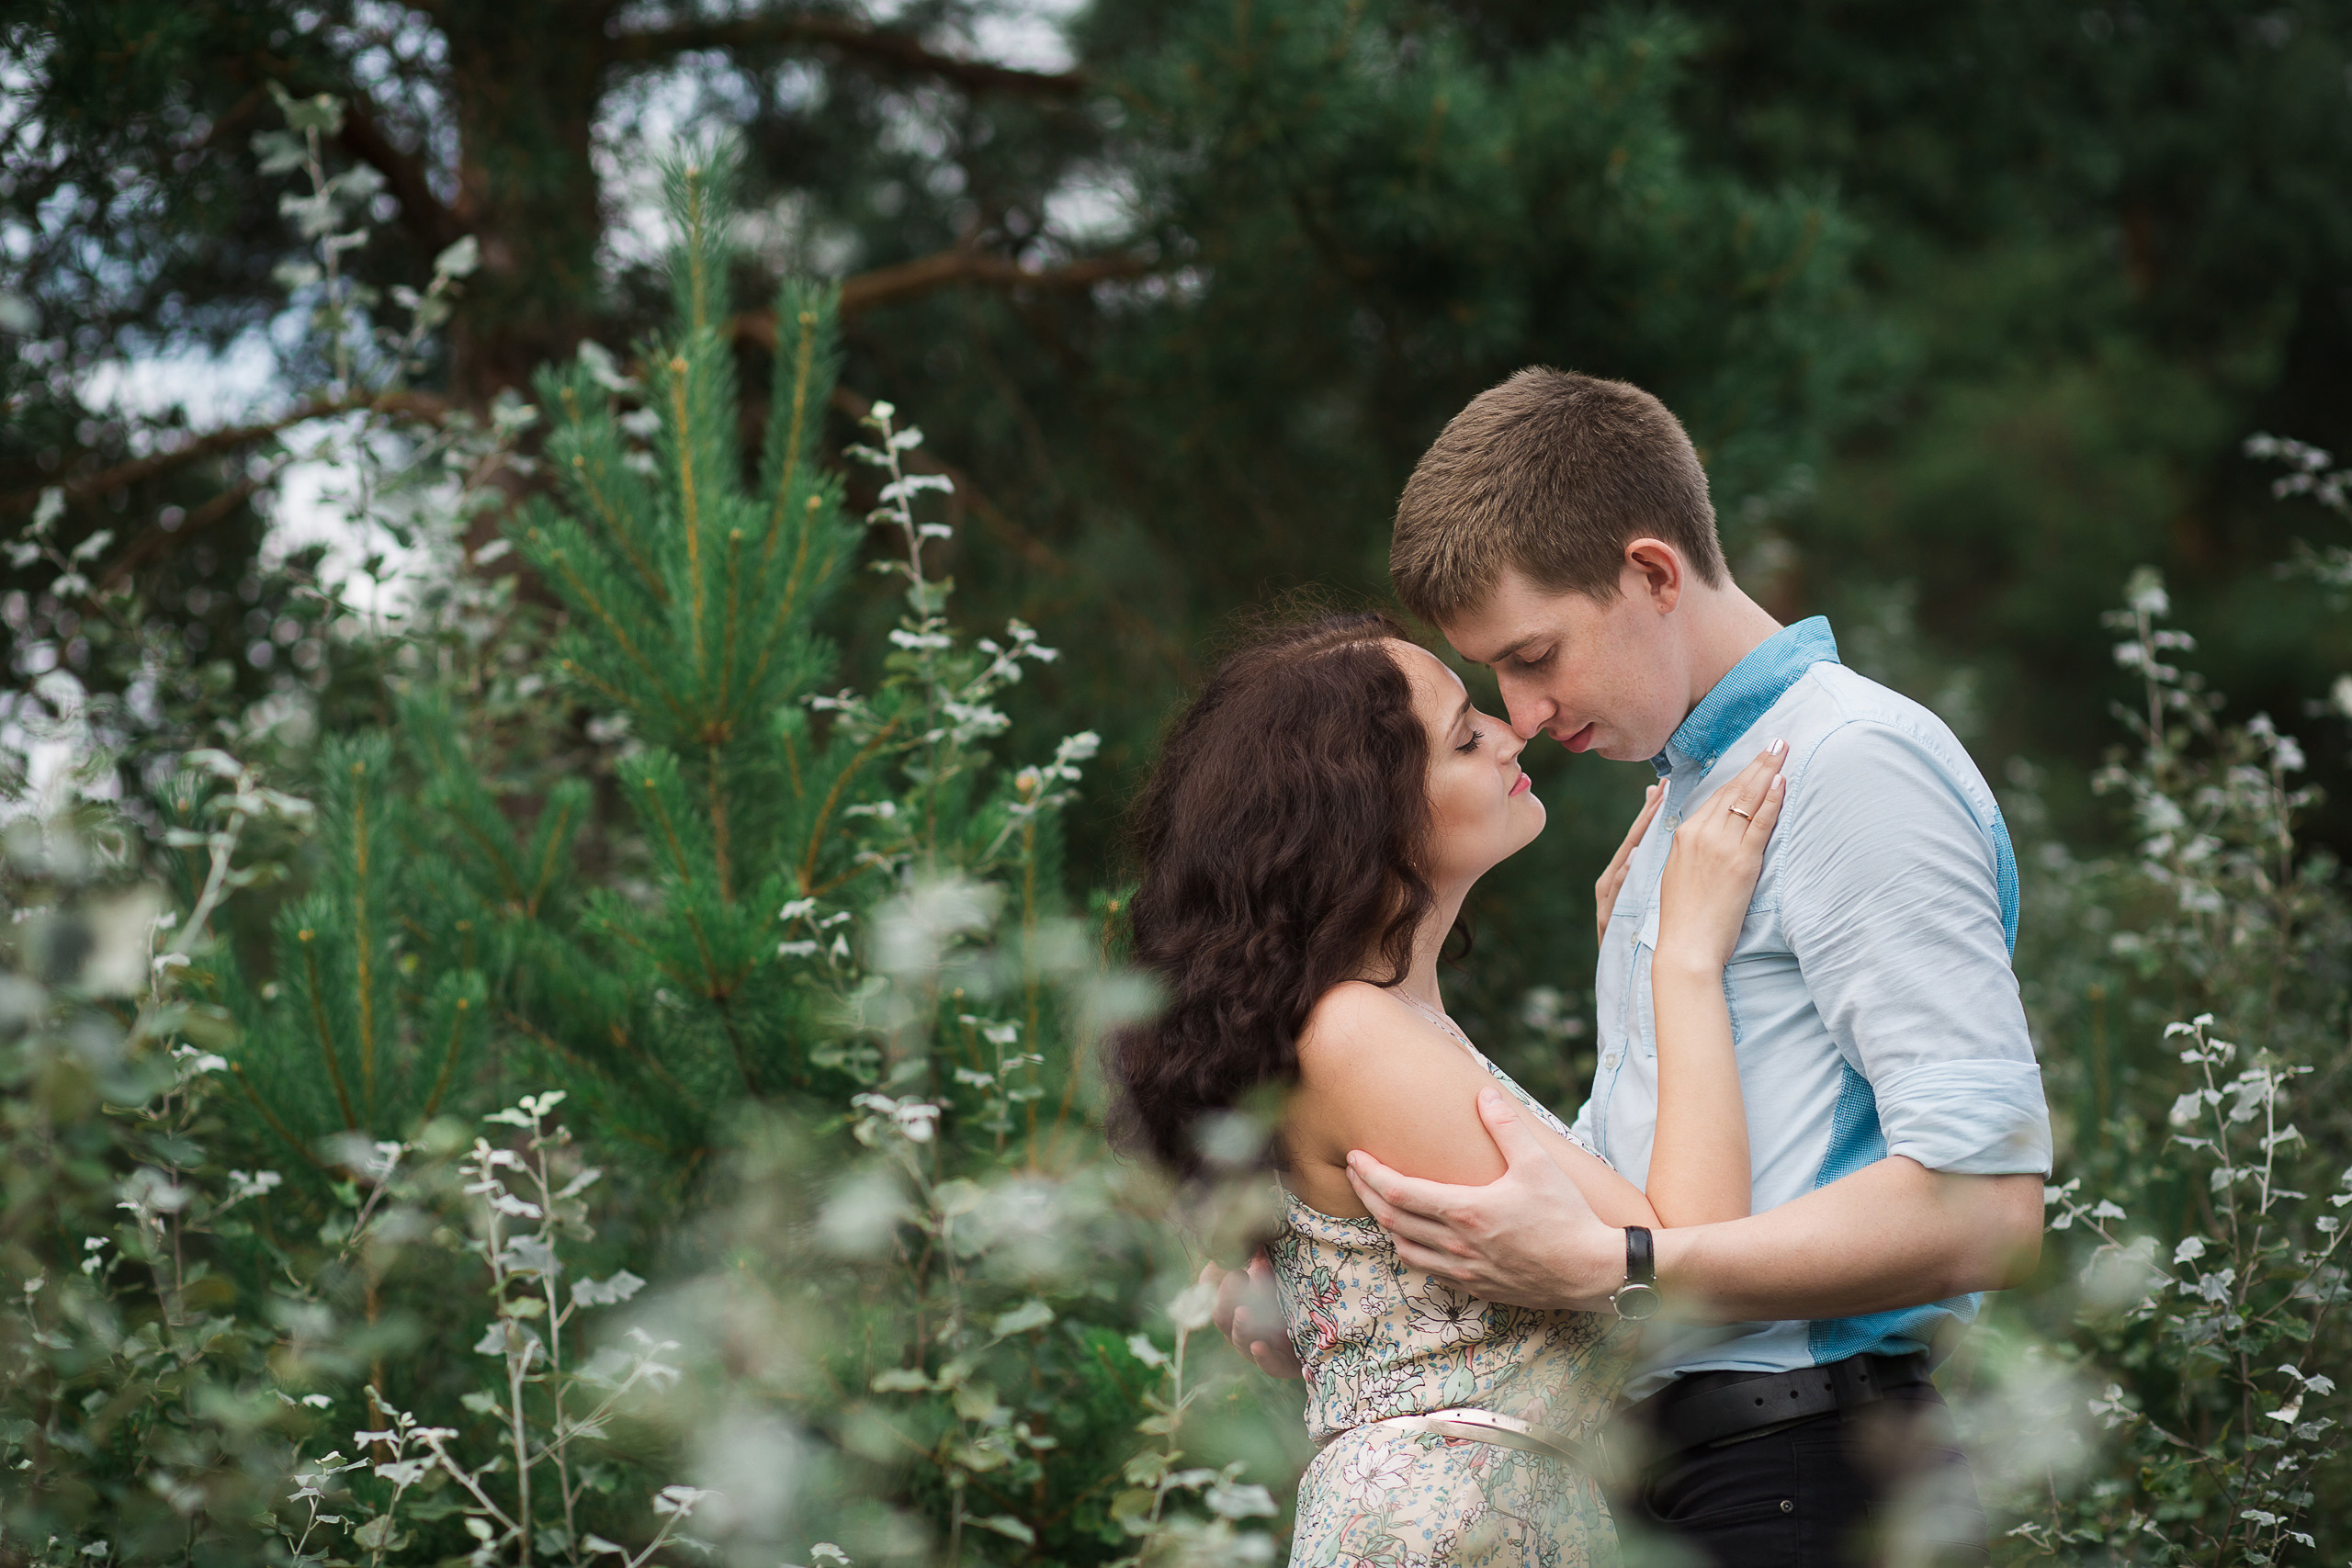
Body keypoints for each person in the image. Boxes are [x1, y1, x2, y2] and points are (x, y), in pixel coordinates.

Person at [1213, 369, 2051, 1567]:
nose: (1527, 711)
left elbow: (1985, 1207)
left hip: (1810, 1464)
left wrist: (1633, 1264)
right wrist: (1332, 1265)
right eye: (1493, 674)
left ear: (1653, 574)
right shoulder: (1681, 810)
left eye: (1536, 654)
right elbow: (1613, 1195)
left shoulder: (1848, 766)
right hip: (1669, 1478)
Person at [1110, 608, 1797, 1566]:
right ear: (1372, 816)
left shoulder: (1383, 1029)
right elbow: (1686, 1257)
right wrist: (1682, 958)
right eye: (1467, 737)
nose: (1515, 734)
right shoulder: (1352, 1034)